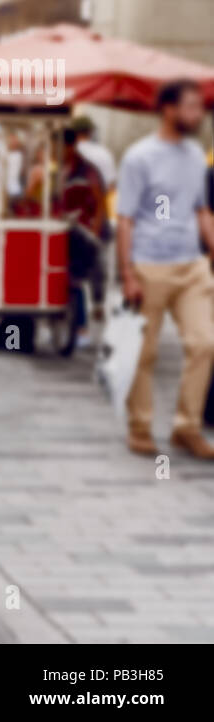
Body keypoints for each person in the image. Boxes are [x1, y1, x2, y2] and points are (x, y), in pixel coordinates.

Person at [116, 79, 214, 459]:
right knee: (145, 353)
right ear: (168, 109)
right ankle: (140, 426)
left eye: (200, 107)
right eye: (191, 106)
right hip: (149, 265)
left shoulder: (195, 156)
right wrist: (127, 273)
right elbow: (125, 219)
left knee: (204, 343)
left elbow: (201, 209)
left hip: (191, 265)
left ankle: (186, 427)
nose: (198, 114)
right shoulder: (139, 157)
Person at [58, 128, 106, 342]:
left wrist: (94, 232)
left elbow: (100, 204)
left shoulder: (88, 171)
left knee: (79, 277)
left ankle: (84, 322)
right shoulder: (60, 170)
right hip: (65, 230)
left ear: (70, 146)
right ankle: (74, 325)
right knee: (68, 278)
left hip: (85, 232)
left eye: (61, 147)